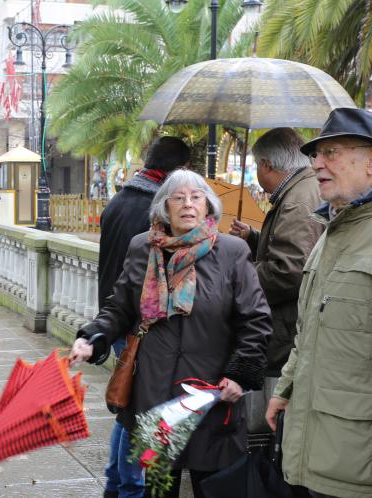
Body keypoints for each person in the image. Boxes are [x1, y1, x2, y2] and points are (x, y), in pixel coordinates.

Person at [70, 169, 272, 498]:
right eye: (178, 198)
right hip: (154, 394)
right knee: (155, 490)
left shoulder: (232, 252)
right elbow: (120, 307)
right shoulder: (142, 247)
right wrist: (92, 337)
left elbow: (256, 320)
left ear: (208, 207)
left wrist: (240, 374)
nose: (188, 204)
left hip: (211, 395)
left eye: (196, 197)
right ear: (165, 208)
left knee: (216, 487)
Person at [265, 107, 372, 498]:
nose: (316, 165)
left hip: (356, 463)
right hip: (317, 449)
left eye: (332, 153)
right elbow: (309, 331)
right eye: (316, 155)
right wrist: (286, 389)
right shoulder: (332, 231)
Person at [97, 136, 191, 498]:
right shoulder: (155, 211)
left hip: (120, 319)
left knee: (126, 406)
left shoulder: (120, 200)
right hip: (142, 324)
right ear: (179, 171)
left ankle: (115, 483)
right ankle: (130, 488)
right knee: (136, 413)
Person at [227, 128, 324, 436]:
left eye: (257, 167)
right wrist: (253, 238)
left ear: (267, 165)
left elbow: (288, 270)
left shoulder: (298, 199)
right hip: (288, 327)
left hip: (285, 330)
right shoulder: (300, 189)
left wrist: (237, 274)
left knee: (268, 428)